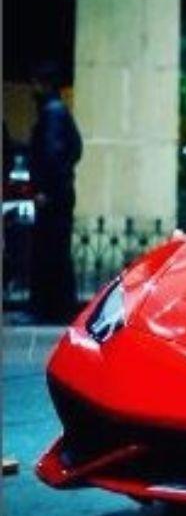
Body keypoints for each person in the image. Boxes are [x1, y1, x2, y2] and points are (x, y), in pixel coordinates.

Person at [28, 61, 82, 323]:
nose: (33, 89)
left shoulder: (51, 113)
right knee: (57, 252)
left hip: (52, 197)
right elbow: (76, 149)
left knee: (47, 253)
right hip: (60, 194)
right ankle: (59, 309)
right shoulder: (60, 112)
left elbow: (52, 155)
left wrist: (45, 190)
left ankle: (46, 310)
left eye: (36, 84)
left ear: (45, 85)